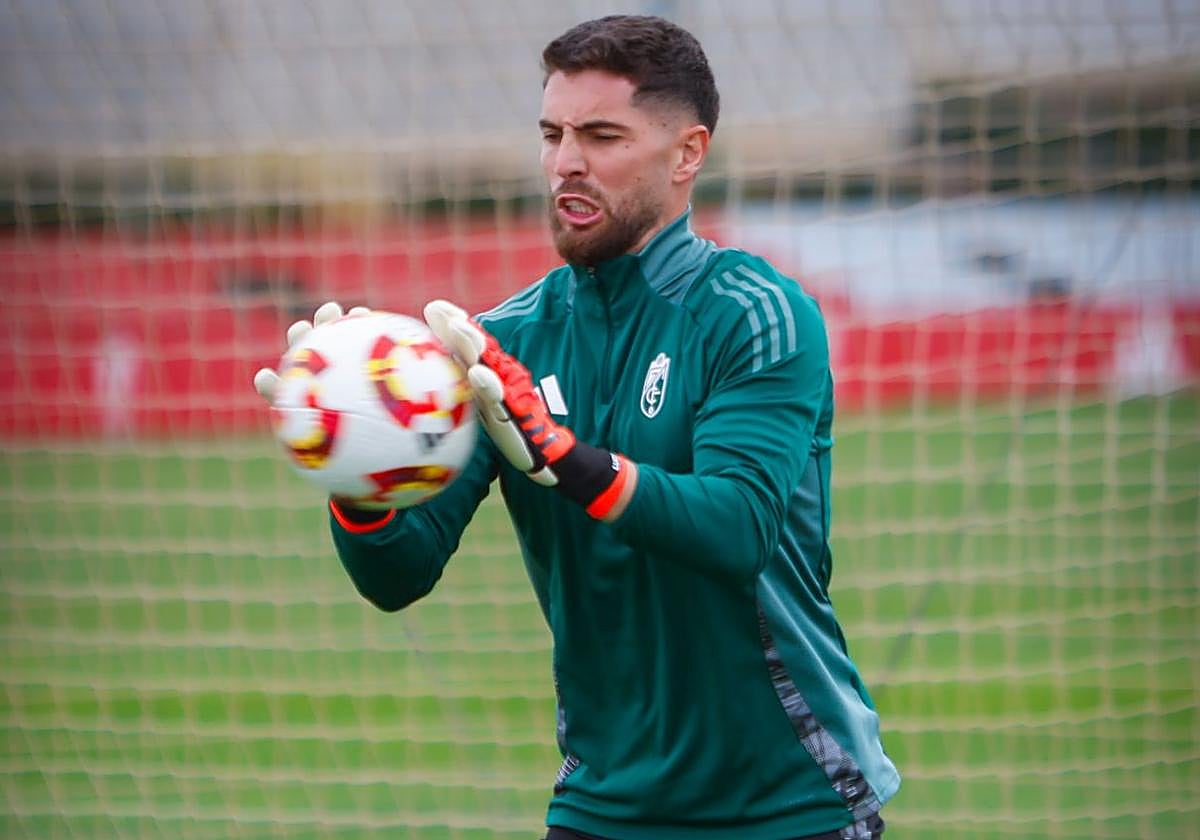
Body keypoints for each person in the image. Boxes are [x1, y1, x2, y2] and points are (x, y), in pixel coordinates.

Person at [256, 14, 899, 840]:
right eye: (553, 133)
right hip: (600, 806)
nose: (566, 161)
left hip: (787, 801)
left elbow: (738, 526)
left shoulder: (758, 314)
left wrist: (564, 457)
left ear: (687, 153)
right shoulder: (500, 344)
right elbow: (398, 576)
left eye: (601, 135)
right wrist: (355, 472)